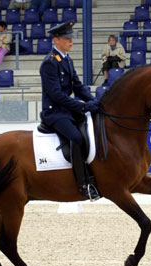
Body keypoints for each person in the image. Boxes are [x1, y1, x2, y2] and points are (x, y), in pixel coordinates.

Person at [39, 21, 100, 201]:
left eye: (71, 38)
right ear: (56, 40)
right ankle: (83, 184)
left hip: (67, 110)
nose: (71, 41)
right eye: (67, 38)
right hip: (55, 112)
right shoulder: (49, 63)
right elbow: (57, 95)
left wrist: (93, 101)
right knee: (76, 137)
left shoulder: (67, 59)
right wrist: (83, 106)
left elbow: (78, 86)